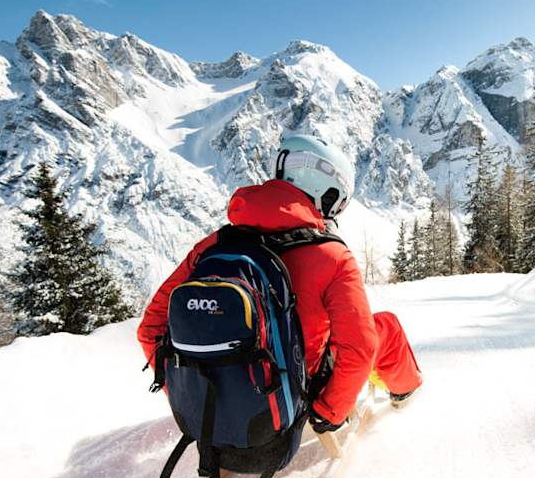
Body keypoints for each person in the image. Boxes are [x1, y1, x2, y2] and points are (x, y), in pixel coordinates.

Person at [137, 134, 422, 433]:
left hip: (214, 395)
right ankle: (406, 392)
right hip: (297, 392)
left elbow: (150, 329)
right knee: (385, 327)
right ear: (325, 192)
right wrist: (329, 411)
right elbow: (359, 346)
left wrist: (187, 394)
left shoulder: (212, 246)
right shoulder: (333, 256)